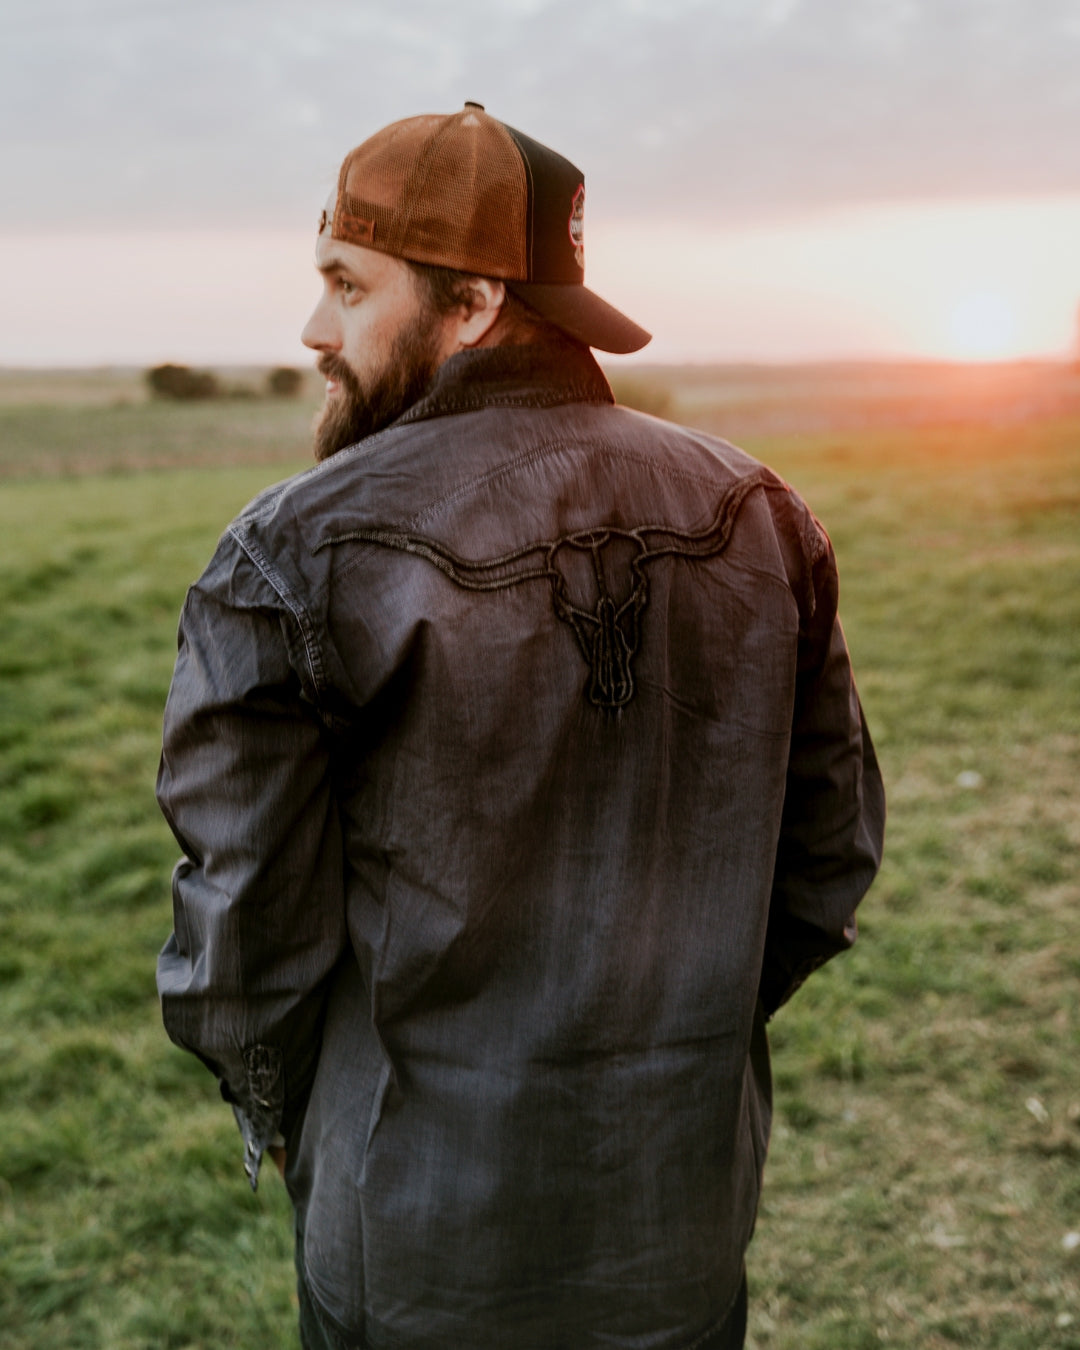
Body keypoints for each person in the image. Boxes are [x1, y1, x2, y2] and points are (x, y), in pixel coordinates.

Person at [156, 103, 885, 1350]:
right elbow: (825, 865)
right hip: (680, 1230)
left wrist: (292, 1123)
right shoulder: (762, 511)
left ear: (476, 300)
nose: (315, 328)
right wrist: (676, 1044)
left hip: (410, 1250)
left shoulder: (291, 550)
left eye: (346, 282)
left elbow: (243, 942)